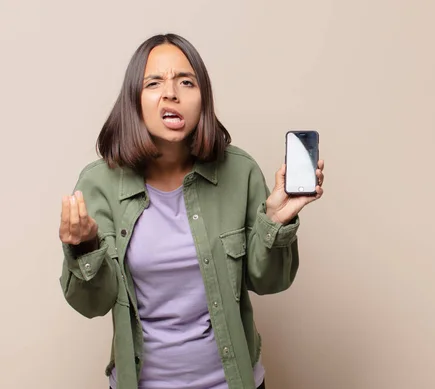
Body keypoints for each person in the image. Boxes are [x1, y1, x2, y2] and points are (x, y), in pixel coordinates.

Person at [58, 33, 325, 389]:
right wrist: (83, 249)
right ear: (133, 101)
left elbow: (270, 281)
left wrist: (277, 221)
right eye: (154, 83)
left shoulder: (239, 171)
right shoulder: (98, 184)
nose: (172, 93)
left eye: (186, 81)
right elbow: (92, 304)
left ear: (203, 98)